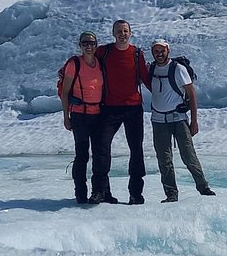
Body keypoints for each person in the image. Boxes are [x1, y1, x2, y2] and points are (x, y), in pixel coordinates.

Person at [147, 39, 216, 202]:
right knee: (164, 160)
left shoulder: (178, 69)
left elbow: (191, 94)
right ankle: (171, 194)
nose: (159, 53)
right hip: (158, 120)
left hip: (179, 119)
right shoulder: (151, 69)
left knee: (189, 156)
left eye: (162, 50)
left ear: (168, 51)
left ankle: (203, 187)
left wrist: (194, 121)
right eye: (156, 51)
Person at [94, 19, 150, 205]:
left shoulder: (136, 54)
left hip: (133, 108)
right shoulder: (104, 51)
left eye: (125, 31)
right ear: (113, 33)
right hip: (110, 108)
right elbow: (87, 63)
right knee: (102, 148)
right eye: (119, 31)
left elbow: (146, 78)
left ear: (130, 33)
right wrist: (66, 72)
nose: (122, 34)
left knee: (136, 150)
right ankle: (101, 191)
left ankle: (136, 193)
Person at [60, 31, 106, 204]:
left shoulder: (99, 64)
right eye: (85, 43)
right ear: (80, 45)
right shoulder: (74, 64)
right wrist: (66, 116)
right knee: (82, 155)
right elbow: (65, 93)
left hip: (98, 115)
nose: (89, 46)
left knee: (99, 154)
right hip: (80, 115)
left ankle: (97, 192)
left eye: (92, 43)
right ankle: (80, 192)